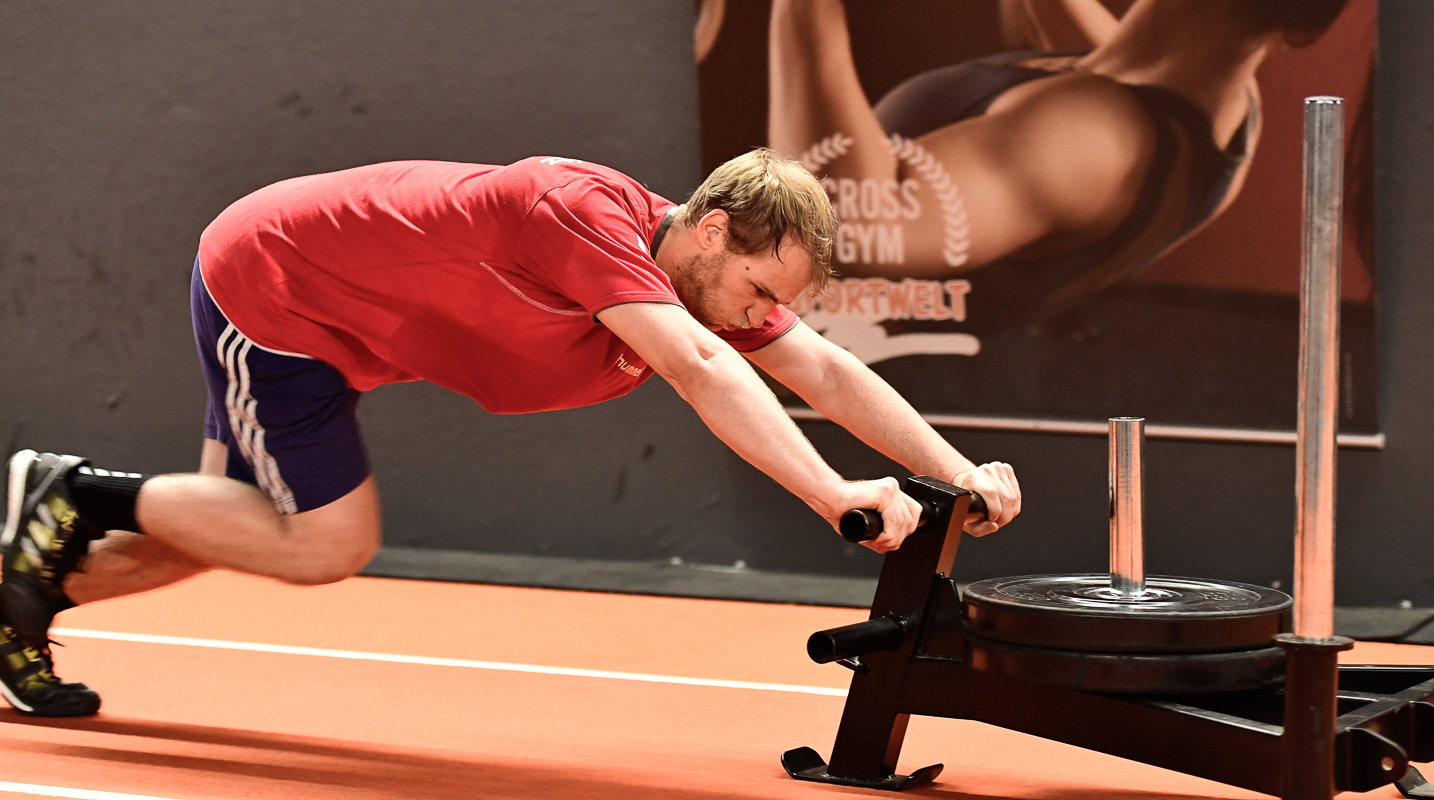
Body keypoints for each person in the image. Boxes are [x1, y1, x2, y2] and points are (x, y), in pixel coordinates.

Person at [0, 148, 1022, 717]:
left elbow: (830, 370)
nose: (754, 315)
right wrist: (833, 495)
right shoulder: (581, 216)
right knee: (323, 540)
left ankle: (15, 596)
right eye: (756, 286)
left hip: (342, 323)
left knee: (226, 527)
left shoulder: (701, 285)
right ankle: (69, 487)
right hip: (282, 292)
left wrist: (956, 470)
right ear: (713, 229)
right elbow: (703, 368)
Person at [766, 0, 1352, 322]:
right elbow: (1086, 51)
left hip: (835, 413)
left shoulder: (1103, 138)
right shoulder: (1207, 91)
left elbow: (842, 226)